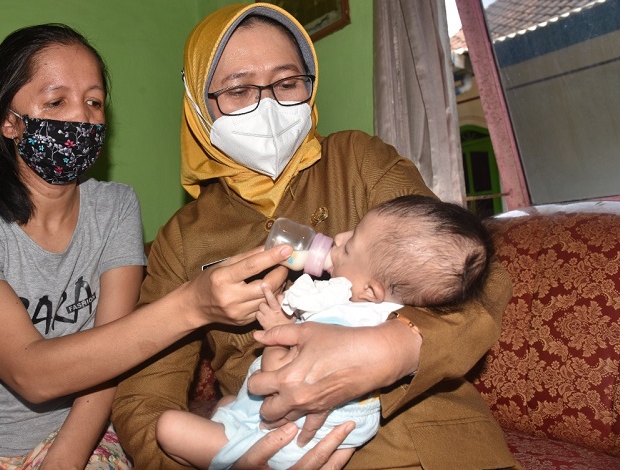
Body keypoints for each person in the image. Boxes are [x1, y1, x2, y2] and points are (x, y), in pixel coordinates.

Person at [112, 3, 521, 469]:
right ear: (198, 105)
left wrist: (395, 347)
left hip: (427, 448)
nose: (267, 106)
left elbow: (476, 278)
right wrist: (228, 463)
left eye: (287, 83)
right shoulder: (181, 239)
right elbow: (142, 401)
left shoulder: (360, 162)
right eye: (238, 90)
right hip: (265, 446)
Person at [0, 23, 293, 470]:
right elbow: (31, 374)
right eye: (55, 101)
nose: (81, 118)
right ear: (8, 121)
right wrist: (193, 305)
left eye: (93, 101)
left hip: (78, 432)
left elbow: (114, 351)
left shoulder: (115, 207)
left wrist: (65, 458)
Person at [156, 195, 496, 469]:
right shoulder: (370, 308)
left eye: (349, 246)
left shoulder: (342, 321)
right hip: (302, 433)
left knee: (169, 428)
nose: (341, 236)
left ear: (370, 290)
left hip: (289, 442)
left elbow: (281, 382)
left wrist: (277, 334)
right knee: (226, 403)